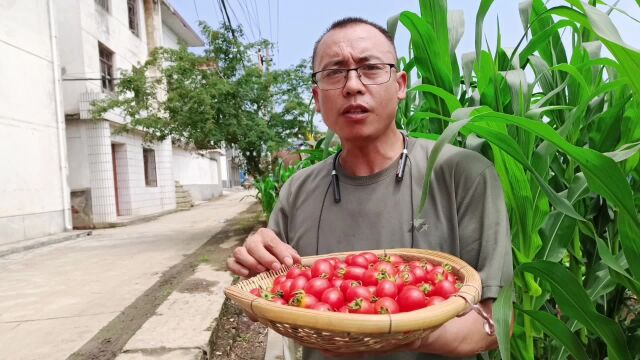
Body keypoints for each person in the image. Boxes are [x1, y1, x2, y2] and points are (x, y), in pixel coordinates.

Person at [227, 17, 513, 360]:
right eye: (334, 72)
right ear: (317, 98)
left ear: (400, 85)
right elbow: (274, 301)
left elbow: (496, 320)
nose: (352, 85)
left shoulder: (462, 174)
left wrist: (399, 328)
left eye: (371, 68)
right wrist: (256, 269)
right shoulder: (296, 192)